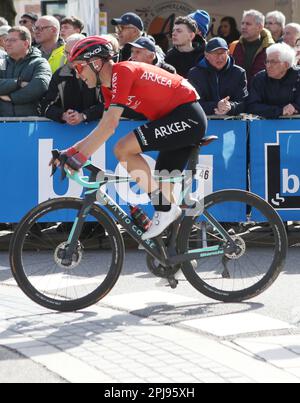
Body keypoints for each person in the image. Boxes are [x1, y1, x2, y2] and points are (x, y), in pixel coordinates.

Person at [51, 36, 207, 240]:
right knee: (167, 199)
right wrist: (71, 152)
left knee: (123, 149)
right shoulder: (108, 88)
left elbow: (111, 125)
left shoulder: (123, 71)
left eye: (80, 67)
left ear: (96, 63)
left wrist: (79, 159)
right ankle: (174, 262)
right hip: (173, 120)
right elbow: (103, 128)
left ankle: (164, 209)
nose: (78, 75)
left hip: (187, 116)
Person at [40, 34, 104, 124]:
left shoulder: (99, 71)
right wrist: (63, 115)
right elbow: (46, 106)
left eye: (74, 53)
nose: (69, 57)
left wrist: (84, 115)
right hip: (66, 132)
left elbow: (108, 105)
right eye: (66, 53)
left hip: (98, 128)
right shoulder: (60, 75)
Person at [188, 37, 248, 116]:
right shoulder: (195, 73)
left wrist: (230, 107)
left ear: (228, 53)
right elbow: (193, 104)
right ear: (206, 55)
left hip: (232, 122)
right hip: (204, 120)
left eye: (223, 53)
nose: (219, 57)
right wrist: (216, 105)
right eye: (215, 53)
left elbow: (244, 102)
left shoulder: (239, 73)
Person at [0, 26, 52, 117]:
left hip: (31, 123)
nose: (7, 44)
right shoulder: (2, 62)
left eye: (13, 40)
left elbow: (40, 85)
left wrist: (12, 98)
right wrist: (18, 83)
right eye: (6, 40)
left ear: (26, 43)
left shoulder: (39, 62)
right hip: (3, 124)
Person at [247, 43, 300, 119]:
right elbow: (251, 105)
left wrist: (295, 106)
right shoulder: (259, 78)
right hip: (266, 126)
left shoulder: (298, 76)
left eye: (273, 62)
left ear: (286, 65)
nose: (268, 66)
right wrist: (279, 111)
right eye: (267, 61)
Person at [230, 9, 274, 86]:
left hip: (261, 95)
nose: (243, 27)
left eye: (248, 24)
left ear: (260, 27)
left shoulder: (271, 49)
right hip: (237, 95)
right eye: (242, 23)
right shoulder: (234, 46)